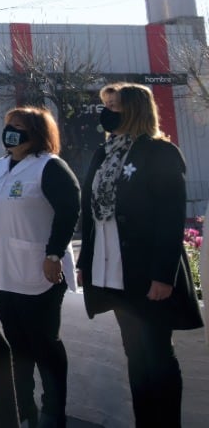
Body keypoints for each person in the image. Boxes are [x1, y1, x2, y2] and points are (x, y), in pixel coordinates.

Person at [78, 82, 203, 427]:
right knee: (135, 352)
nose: (107, 113)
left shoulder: (161, 152)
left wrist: (164, 275)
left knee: (157, 354)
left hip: (149, 273)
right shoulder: (103, 153)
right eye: (105, 105)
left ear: (134, 109)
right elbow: (89, 214)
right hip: (112, 271)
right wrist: (84, 262)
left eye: (114, 106)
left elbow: (170, 216)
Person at [0, 107, 80, 428]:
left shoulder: (50, 168)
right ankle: (22, 408)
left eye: (19, 127)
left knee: (44, 344)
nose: (11, 131)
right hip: (3, 272)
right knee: (17, 344)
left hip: (40, 271)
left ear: (37, 133)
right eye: (8, 126)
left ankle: (53, 413)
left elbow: (70, 209)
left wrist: (54, 254)